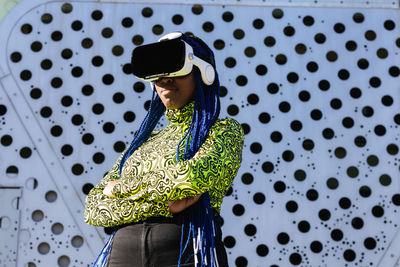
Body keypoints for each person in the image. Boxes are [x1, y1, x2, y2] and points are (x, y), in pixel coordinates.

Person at [84, 32, 244, 267]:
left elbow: (193, 178)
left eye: (176, 71)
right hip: (121, 258)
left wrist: (118, 188)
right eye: (157, 74)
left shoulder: (223, 130)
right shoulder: (144, 142)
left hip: (187, 255)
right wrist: (166, 203)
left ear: (204, 74)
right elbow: (94, 207)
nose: (164, 80)